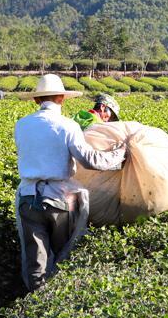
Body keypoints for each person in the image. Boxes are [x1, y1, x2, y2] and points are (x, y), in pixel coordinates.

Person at [14, 73, 126, 290]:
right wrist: (118, 155)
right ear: (62, 99)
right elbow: (89, 160)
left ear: (37, 100)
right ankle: (56, 300)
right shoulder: (67, 126)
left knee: (35, 259)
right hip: (60, 199)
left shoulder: (22, 125)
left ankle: (34, 302)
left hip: (28, 198)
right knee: (62, 254)